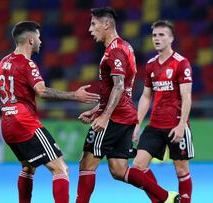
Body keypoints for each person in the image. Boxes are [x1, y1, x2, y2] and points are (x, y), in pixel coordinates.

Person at [76, 7, 180, 203]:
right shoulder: (125, 46)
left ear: (106, 24)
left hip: (114, 118)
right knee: (119, 170)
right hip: (125, 115)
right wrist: (97, 110)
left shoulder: (114, 51)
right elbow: (116, 90)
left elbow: (119, 86)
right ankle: (167, 197)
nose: (90, 29)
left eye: (93, 24)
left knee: (86, 165)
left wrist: (104, 115)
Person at [0, 21, 100, 203]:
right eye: (39, 37)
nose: (41, 41)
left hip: (7, 123)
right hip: (25, 122)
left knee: (28, 167)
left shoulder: (4, 61)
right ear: (30, 40)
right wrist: (75, 95)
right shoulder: (27, 64)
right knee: (61, 169)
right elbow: (42, 91)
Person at [132, 20, 194, 203]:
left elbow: (187, 96)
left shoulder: (181, 63)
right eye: (154, 35)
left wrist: (182, 125)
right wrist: (137, 124)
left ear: (171, 38)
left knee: (182, 170)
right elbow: (145, 97)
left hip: (176, 125)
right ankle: (163, 199)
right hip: (155, 125)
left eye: (161, 35)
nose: (157, 38)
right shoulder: (151, 65)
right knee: (137, 167)